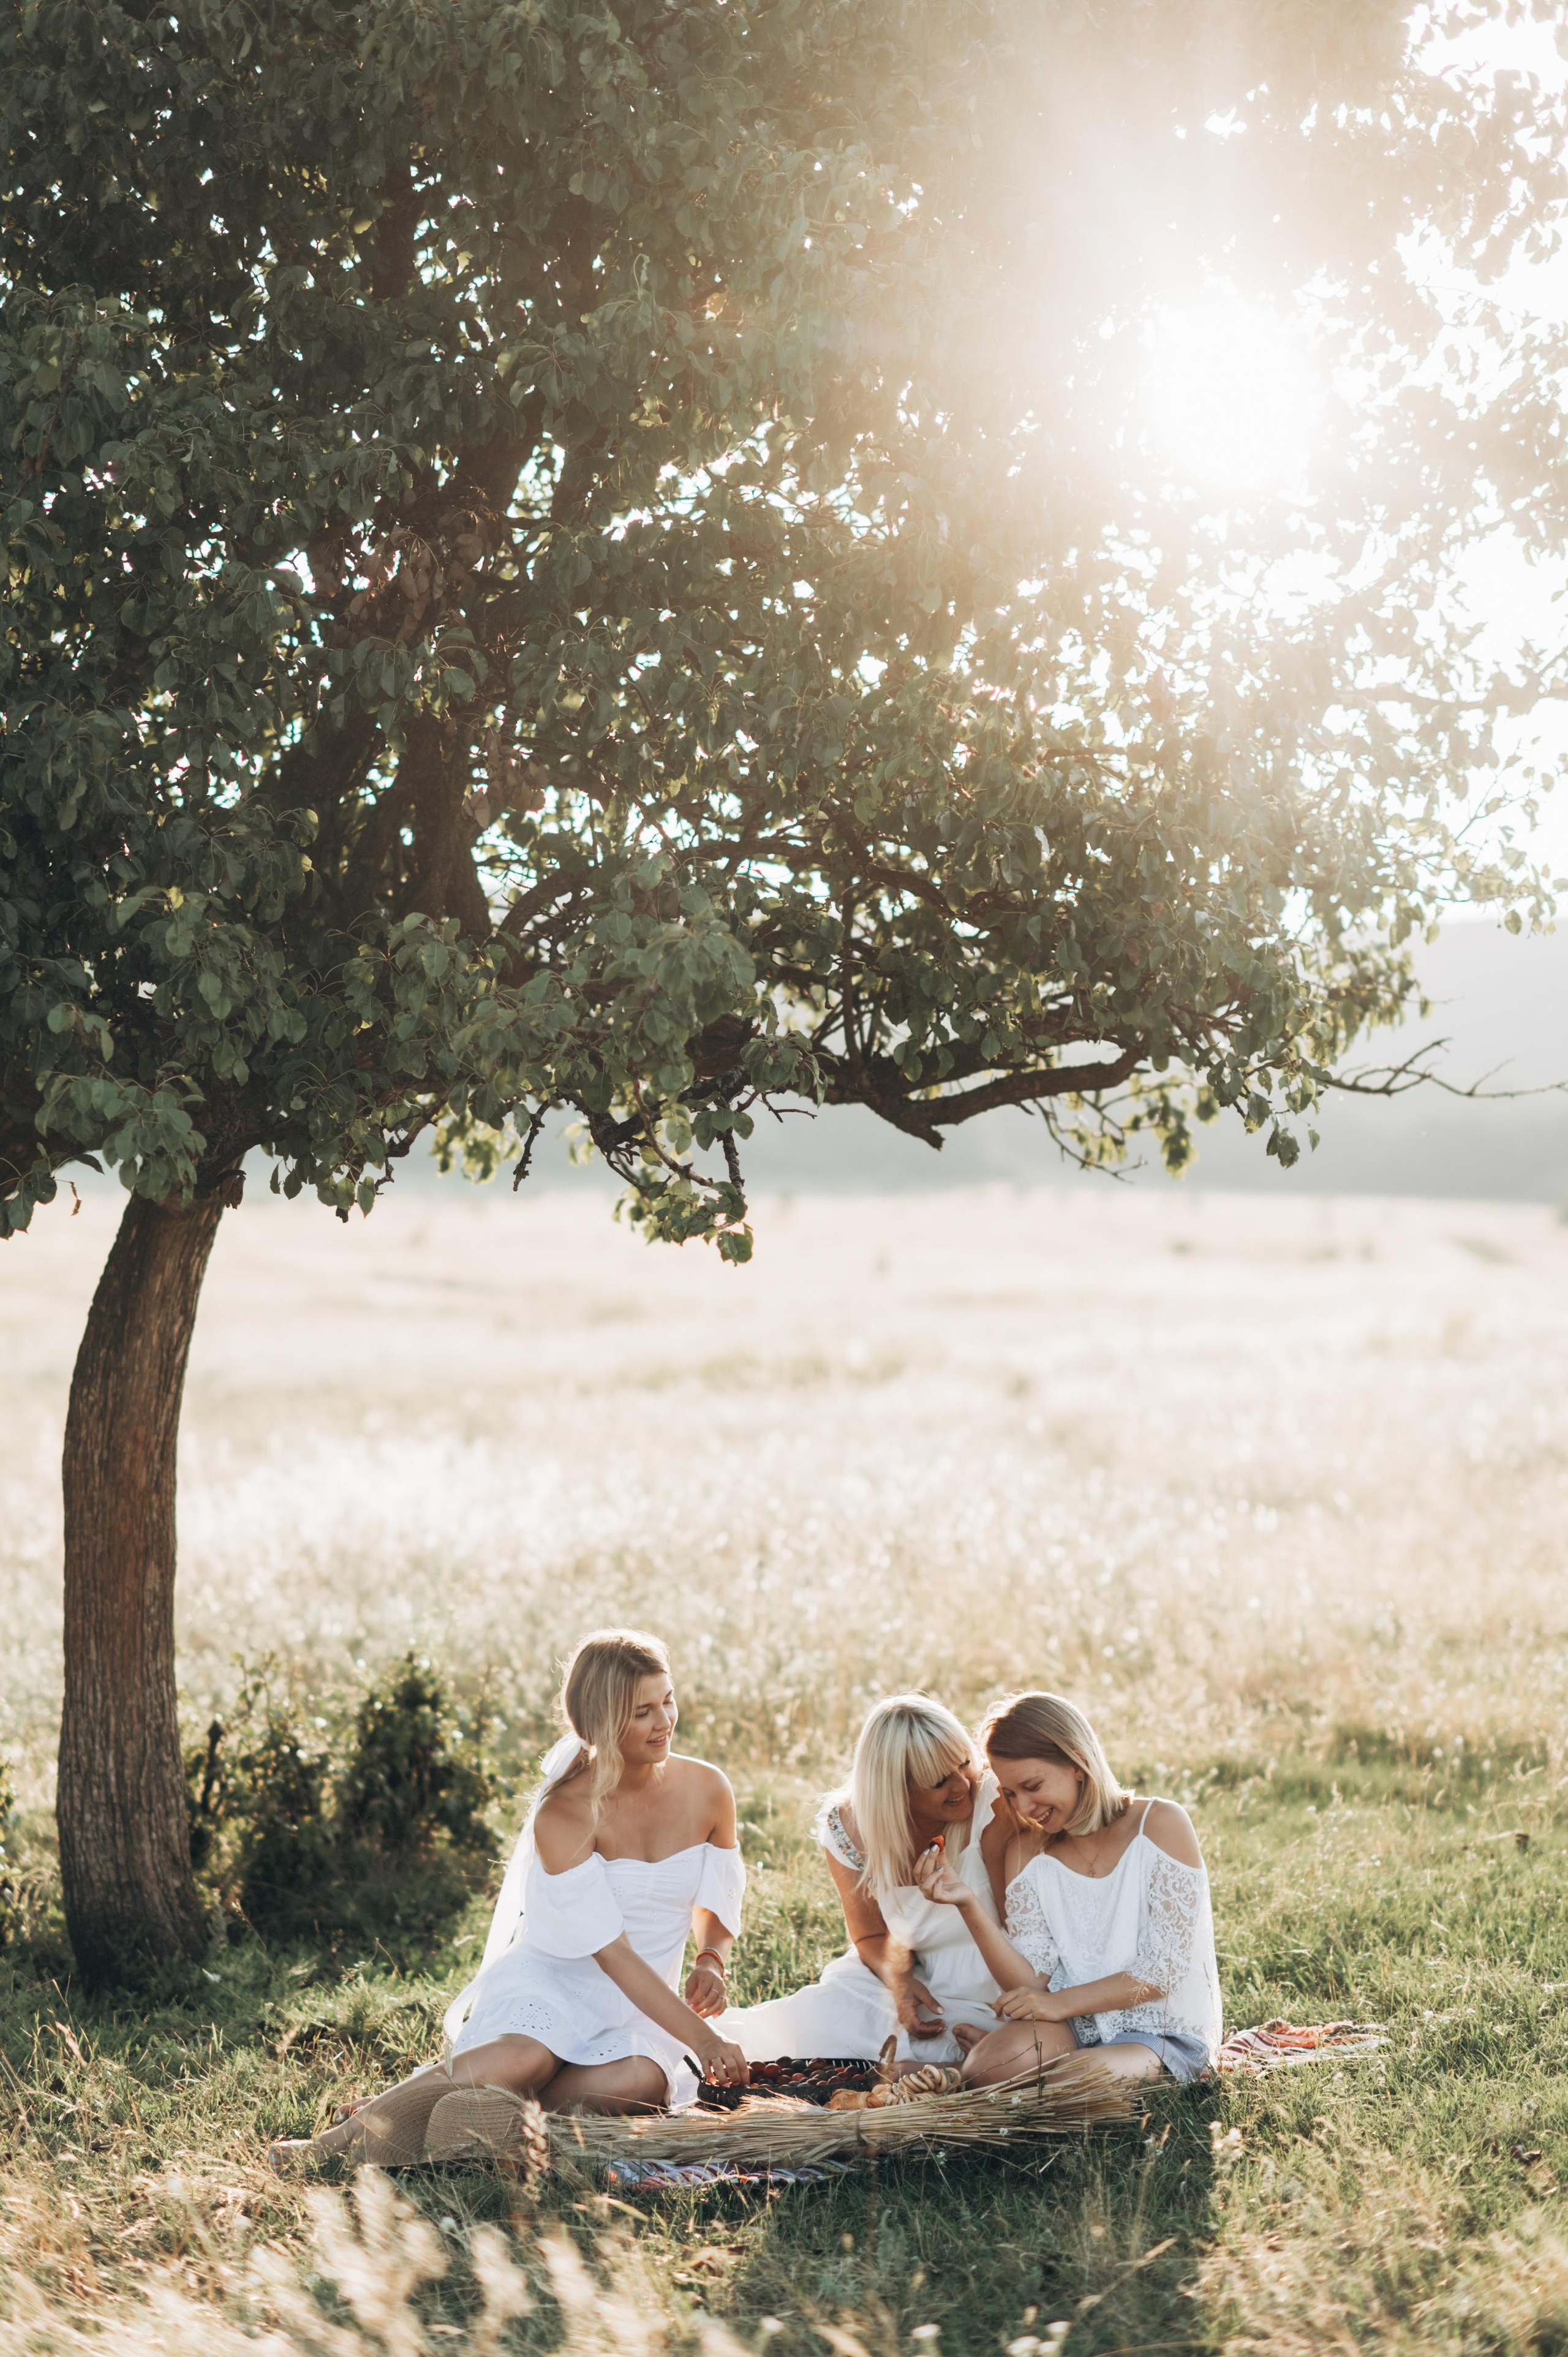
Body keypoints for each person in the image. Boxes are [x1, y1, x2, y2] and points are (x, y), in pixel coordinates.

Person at [270, 1629, 748, 2166]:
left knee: (637, 2079)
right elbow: (612, 1955)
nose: (664, 1722)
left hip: (647, 2007)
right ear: (599, 1721)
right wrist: (705, 2041)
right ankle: (339, 2142)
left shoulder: (709, 1788)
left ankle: (469, 2118)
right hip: (558, 1982)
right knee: (525, 2056)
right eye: (643, 1712)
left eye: (668, 1701)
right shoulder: (565, 1812)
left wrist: (712, 1958)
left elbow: (717, 1895)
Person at [913, 1690, 1221, 2085]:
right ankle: (1011, 2075)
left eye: (1033, 1785)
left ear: (1077, 1761)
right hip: (1074, 2025)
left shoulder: (1160, 1824)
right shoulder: (1027, 1851)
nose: (1023, 1808)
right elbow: (1031, 1983)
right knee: (986, 2069)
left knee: (1075, 2083)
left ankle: (1045, 2079)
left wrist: (1057, 2004)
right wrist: (967, 1903)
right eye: (1010, 1793)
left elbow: (1164, 1970)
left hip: (1163, 2030)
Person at [720, 1693, 1009, 2068]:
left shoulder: (993, 1803)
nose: (961, 1785)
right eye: (939, 1781)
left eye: (964, 1763)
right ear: (896, 1788)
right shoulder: (850, 1829)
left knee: (930, 2053)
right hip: (910, 1970)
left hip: (996, 1979)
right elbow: (871, 1937)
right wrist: (901, 1984)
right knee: (810, 2031)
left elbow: (1022, 1927)